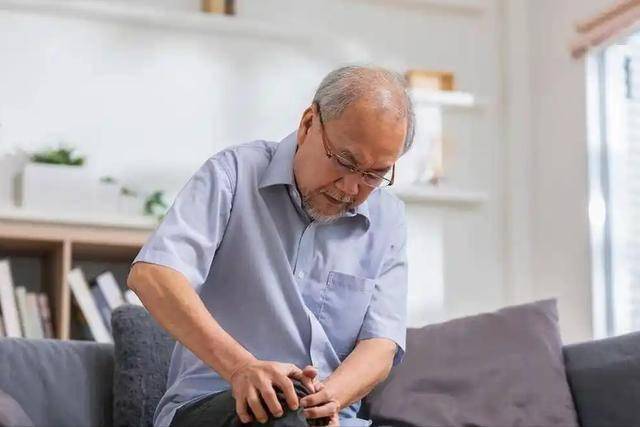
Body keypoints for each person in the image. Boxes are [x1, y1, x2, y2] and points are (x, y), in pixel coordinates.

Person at [127, 65, 414, 427]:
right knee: (283, 411)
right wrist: (241, 368)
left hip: (327, 418)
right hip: (216, 404)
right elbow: (153, 275)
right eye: (345, 161)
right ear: (309, 124)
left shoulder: (388, 219)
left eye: (374, 175)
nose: (351, 188)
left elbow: (381, 344)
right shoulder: (233, 174)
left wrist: (328, 401)